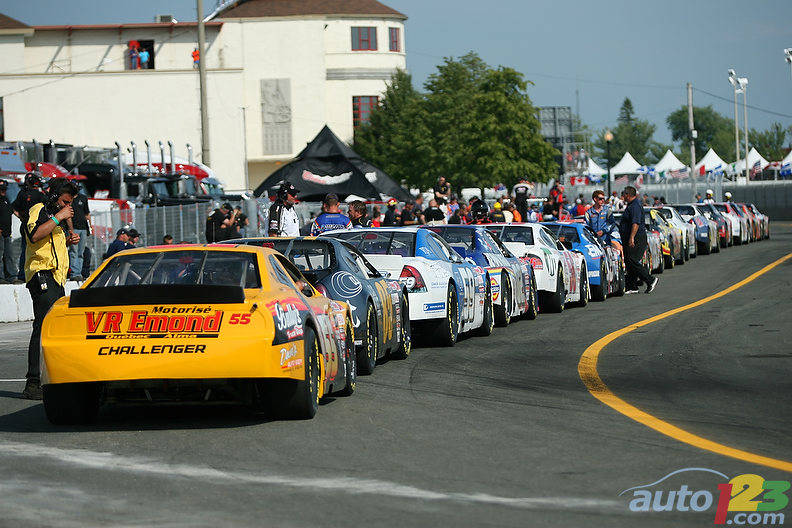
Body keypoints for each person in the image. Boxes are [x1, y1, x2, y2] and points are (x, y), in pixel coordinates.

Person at [22, 180, 81, 399]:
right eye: (66, 201)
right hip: (41, 274)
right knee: (42, 326)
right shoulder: (39, 209)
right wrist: (60, 216)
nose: (68, 205)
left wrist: (69, 239)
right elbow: (34, 235)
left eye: (71, 202)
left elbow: (52, 243)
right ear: (55, 195)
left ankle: (52, 378)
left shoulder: (59, 217)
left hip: (57, 277)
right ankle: (32, 382)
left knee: (54, 328)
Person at [619, 186, 658, 295]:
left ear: (628, 195)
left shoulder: (635, 206)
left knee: (632, 260)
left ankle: (650, 280)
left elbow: (635, 223)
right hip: (630, 237)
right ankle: (632, 286)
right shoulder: (631, 205)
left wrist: (631, 237)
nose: (623, 197)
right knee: (629, 261)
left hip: (636, 237)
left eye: (624, 194)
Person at [13, 173, 46, 282]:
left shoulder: (22, 193)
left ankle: (23, 275)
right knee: (37, 250)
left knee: (25, 250)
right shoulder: (40, 195)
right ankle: (34, 273)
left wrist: (22, 218)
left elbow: (14, 208)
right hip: (37, 226)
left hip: (26, 225)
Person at [66, 182, 91, 281]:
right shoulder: (69, 199)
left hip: (83, 228)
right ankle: (74, 273)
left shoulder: (83, 198)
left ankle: (78, 272)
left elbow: (87, 214)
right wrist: (71, 229)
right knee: (73, 251)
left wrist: (90, 226)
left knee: (81, 252)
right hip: (74, 228)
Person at [0, 180, 19, 282]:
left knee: (9, 255)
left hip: (7, 232)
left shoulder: (6, 200)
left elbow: (13, 211)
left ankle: (11, 276)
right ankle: (1, 277)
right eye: (1, 190)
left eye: (4, 190)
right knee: (0, 255)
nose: (3, 191)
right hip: (0, 231)